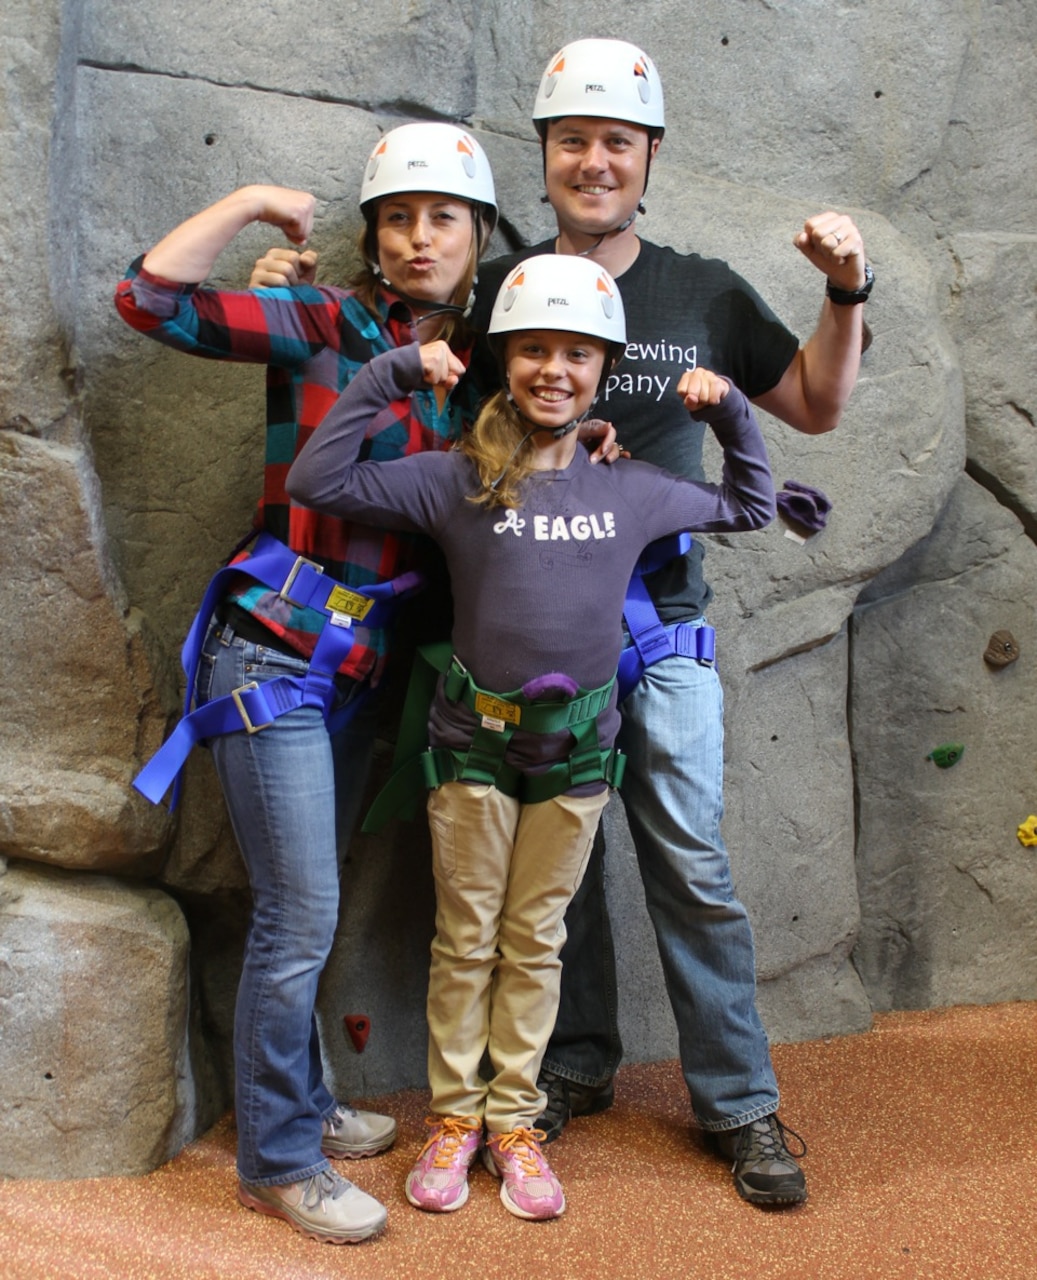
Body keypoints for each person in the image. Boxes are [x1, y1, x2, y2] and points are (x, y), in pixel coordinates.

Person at [464, 38, 873, 1208]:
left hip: (662, 623)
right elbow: (453, 438)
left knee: (687, 855)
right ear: (541, 156)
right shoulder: (499, 290)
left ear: (648, 159)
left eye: (616, 144)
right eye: (571, 142)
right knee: (558, 865)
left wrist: (842, 291)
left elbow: (817, 404)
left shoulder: (696, 290)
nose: (594, 163)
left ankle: (737, 1099)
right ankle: (574, 1062)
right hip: (531, 623)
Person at [285, 253, 776, 1221]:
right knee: (463, 940)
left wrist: (726, 413)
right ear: (505, 359)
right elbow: (316, 475)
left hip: (577, 762)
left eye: (577, 354)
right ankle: (454, 1116)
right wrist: (389, 372)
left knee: (534, 940)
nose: (555, 369)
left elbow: (752, 505)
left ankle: (513, 1118)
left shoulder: (628, 485)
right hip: (470, 752)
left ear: (602, 368)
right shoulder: (454, 480)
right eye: (535, 350)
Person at [114, 122, 500, 1245]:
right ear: (373, 238)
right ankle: (279, 1156)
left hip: (360, 668)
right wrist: (245, 204)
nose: (419, 237)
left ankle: (303, 1101)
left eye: (443, 218)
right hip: (271, 648)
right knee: (297, 914)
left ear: (479, 237)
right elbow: (149, 301)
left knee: (305, 903)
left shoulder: (481, 370)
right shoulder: (324, 320)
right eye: (398, 217)